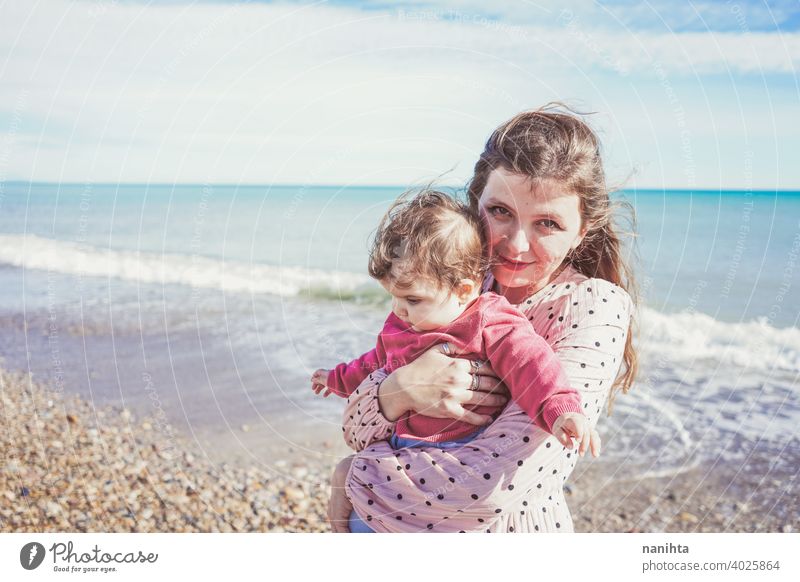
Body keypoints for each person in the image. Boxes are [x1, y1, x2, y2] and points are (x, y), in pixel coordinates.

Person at [328, 103, 637, 533]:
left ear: (582, 230)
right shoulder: (452, 282)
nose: (516, 244)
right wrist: (403, 389)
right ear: (476, 206)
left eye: (547, 222)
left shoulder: (592, 307)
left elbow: (490, 488)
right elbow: (354, 426)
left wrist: (354, 476)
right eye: (500, 212)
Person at [311, 190, 598, 533]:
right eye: (393, 296)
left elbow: (530, 363)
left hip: (456, 455)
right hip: (397, 453)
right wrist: (337, 379)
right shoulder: (404, 322)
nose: (398, 309)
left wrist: (560, 408)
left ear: (463, 290)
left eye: (413, 299)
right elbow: (373, 364)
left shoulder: (488, 319)